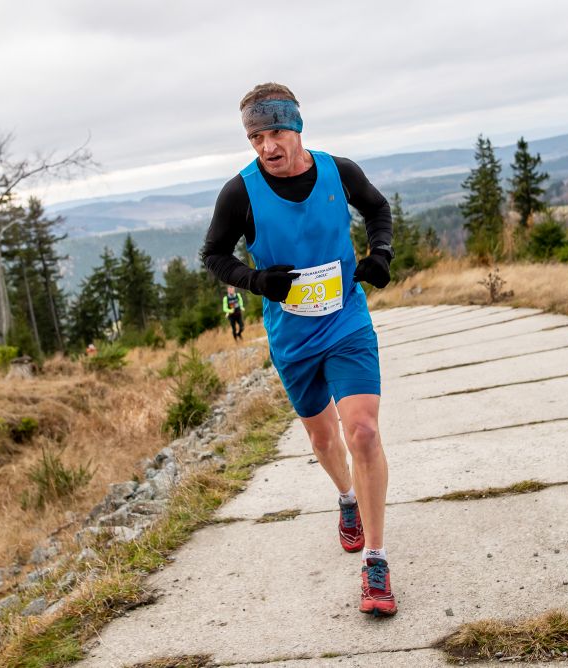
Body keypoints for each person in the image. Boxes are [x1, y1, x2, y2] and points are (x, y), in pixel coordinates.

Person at [201, 83, 397, 616]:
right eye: (255, 137)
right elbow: (214, 254)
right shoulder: (240, 193)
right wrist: (257, 280)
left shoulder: (339, 171)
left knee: (362, 430)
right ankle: (347, 498)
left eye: (275, 132)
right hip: (291, 334)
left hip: (346, 319)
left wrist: (380, 253)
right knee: (322, 435)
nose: (267, 146)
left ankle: (376, 563)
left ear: (297, 126)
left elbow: (377, 209)